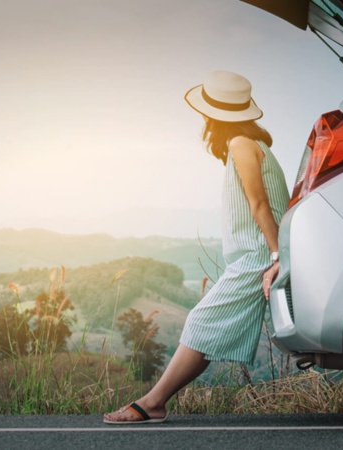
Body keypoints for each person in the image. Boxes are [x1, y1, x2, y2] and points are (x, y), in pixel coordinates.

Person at [103, 70, 290, 424]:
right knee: (202, 323)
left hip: (257, 256)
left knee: (201, 321)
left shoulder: (239, 144)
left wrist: (277, 256)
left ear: (214, 116)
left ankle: (153, 403)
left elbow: (260, 205)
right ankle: (153, 402)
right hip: (258, 253)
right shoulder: (255, 144)